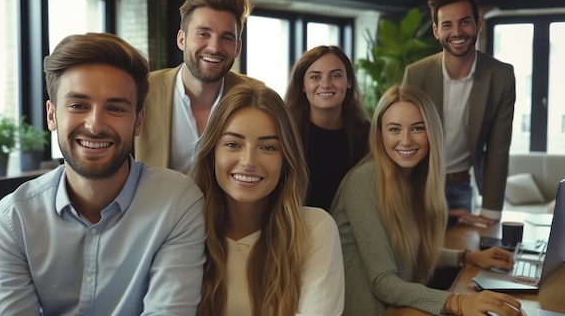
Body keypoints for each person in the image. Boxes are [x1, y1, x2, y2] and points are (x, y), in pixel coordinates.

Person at [0, 33, 206, 315]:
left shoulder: (177, 204)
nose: (95, 124)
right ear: (52, 115)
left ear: (138, 121)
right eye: (78, 105)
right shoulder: (12, 219)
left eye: (115, 108)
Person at [332, 84, 523, 316]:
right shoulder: (365, 181)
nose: (406, 140)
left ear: (431, 132)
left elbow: (408, 250)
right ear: (379, 134)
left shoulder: (414, 179)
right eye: (394, 129)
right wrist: (458, 302)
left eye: (417, 128)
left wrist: (467, 256)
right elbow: (383, 282)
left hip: (394, 305)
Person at [192, 83, 344, 316]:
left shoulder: (315, 229)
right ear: (212, 153)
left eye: (268, 147)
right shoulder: (183, 228)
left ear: (285, 160)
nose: (249, 161)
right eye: (233, 144)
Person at [402, 0, 516, 227]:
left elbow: (498, 147)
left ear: (478, 23)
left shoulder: (501, 76)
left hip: (460, 186)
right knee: (412, 261)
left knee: (458, 260)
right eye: (447, 25)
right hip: (417, 183)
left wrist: (491, 212)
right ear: (436, 31)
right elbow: (403, 137)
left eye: (465, 22)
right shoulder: (415, 74)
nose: (457, 32)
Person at [134, 0, 262, 175]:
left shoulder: (256, 96)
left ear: (237, 48)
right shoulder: (143, 90)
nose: (214, 47)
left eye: (226, 38)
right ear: (181, 39)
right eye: (203, 34)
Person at [285, 45, 370, 212]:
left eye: (336, 75)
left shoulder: (365, 134)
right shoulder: (285, 131)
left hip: (347, 229)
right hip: (295, 225)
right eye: (315, 77)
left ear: (349, 82)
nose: (325, 84)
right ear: (302, 85)